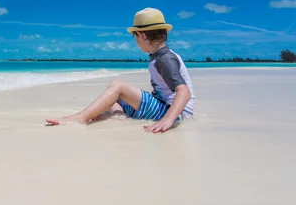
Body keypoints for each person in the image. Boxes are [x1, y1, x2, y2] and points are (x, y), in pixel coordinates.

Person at [46, 7, 195, 134]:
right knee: (112, 97)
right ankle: (118, 117)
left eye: (135, 37)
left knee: (118, 86)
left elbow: (184, 92)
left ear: (141, 35)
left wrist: (168, 119)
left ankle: (80, 118)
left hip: (176, 114)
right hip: (166, 107)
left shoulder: (166, 59)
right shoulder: (159, 57)